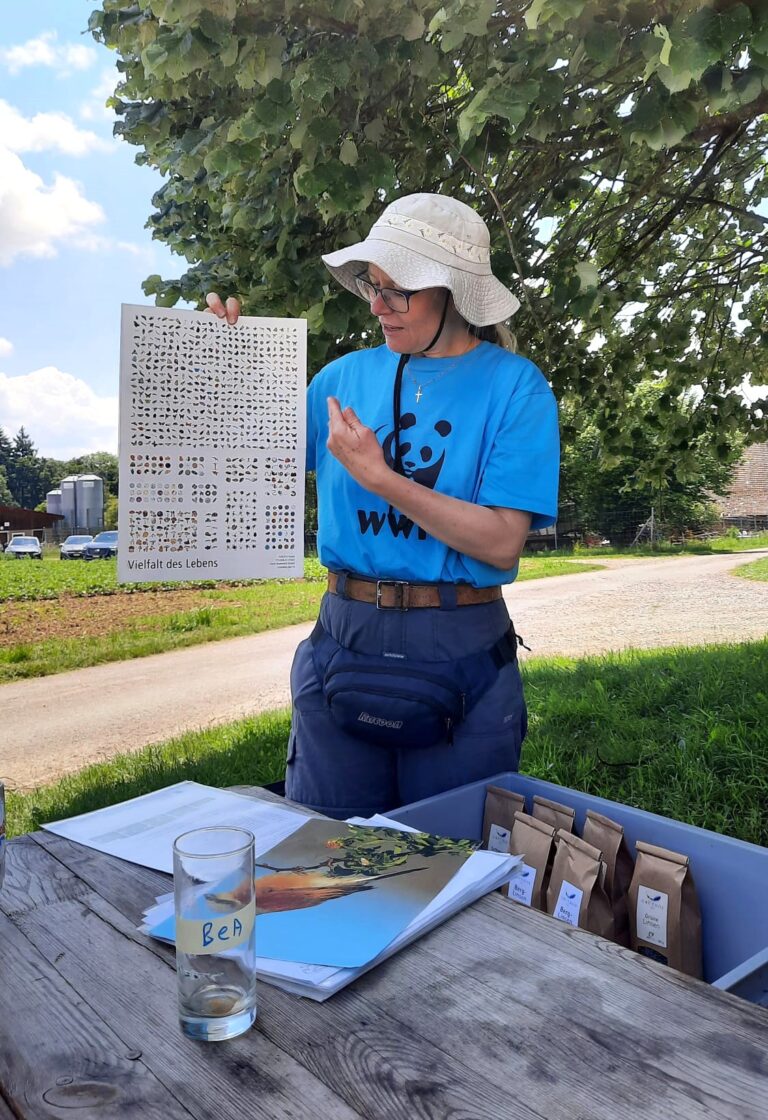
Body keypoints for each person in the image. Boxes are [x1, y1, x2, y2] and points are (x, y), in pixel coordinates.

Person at [206, 192, 559, 819]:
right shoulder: (339, 381)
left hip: (461, 645)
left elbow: (503, 541)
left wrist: (383, 478)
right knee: (323, 856)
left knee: (451, 866)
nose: (378, 306)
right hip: (342, 636)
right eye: (374, 286)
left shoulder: (515, 386)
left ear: (452, 292)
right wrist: (230, 364)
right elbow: (244, 461)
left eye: (400, 291)